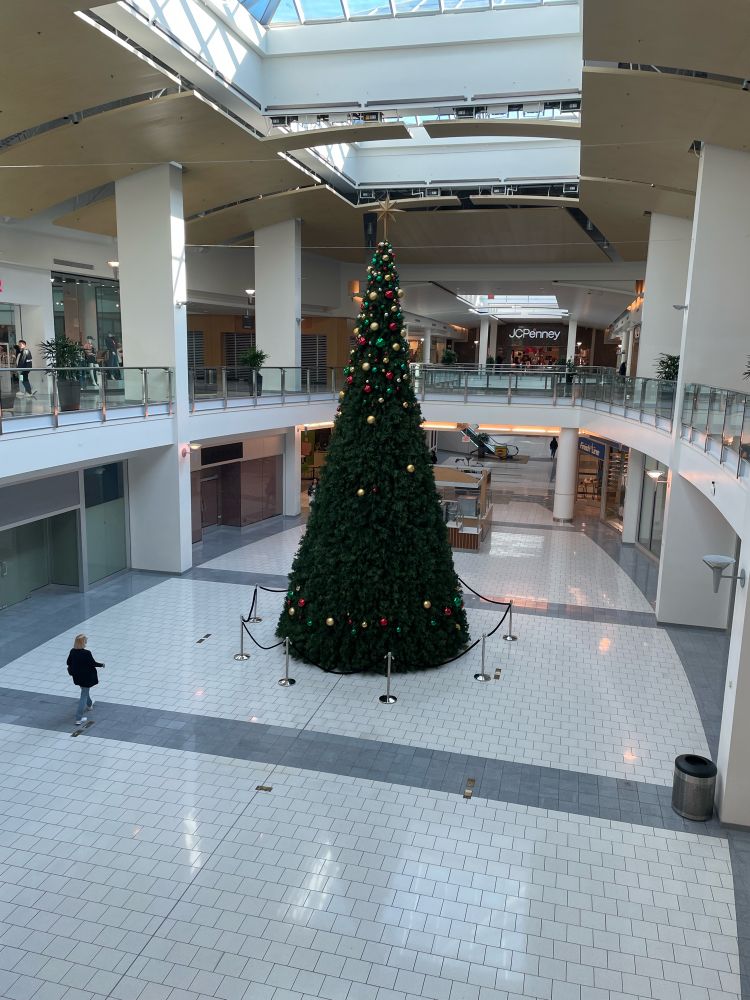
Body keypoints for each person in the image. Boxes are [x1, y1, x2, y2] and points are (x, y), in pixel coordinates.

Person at [66, 633, 104, 725]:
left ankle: (89, 704)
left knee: (84, 691)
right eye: (85, 641)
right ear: (83, 642)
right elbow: (93, 663)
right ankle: (78, 718)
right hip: (86, 677)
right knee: (83, 695)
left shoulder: (72, 651)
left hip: (77, 677)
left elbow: (68, 662)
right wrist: (101, 665)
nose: (86, 642)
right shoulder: (86, 653)